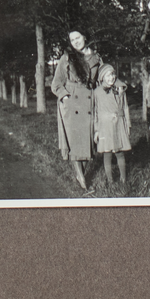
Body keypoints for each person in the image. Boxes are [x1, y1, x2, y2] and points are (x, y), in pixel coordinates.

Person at [50, 29, 103, 190]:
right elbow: (56, 84)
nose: (76, 42)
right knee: (75, 141)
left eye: (78, 37)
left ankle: (81, 174)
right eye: (72, 40)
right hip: (72, 102)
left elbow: (103, 78)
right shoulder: (67, 58)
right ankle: (81, 179)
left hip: (89, 101)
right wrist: (65, 97)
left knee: (87, 141)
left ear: (84, 37)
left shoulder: (96, 57)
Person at [93, 64, 131, 187]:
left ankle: (123, 179)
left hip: (118, 124)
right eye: (108, 76)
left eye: (113, 74)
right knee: (107, 153)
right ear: (102, 77)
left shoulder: (120, 89)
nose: (111, 78)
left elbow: (125, 107)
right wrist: (96, 130)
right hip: (104, 126)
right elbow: (95, 112)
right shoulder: (97, 92)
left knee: (119, 152)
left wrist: (127, 124)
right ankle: (110, 180)